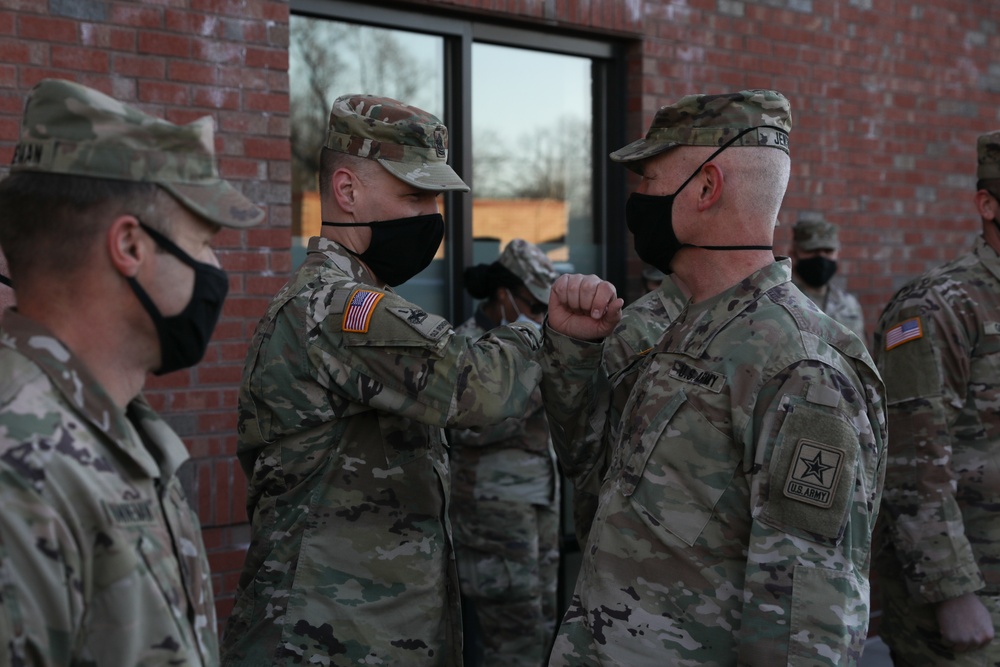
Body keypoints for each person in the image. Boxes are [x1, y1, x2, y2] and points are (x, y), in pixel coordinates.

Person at [221, 94, 620, 666]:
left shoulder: (344, 303)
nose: (431, 215)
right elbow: (481, 387)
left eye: (435, 198)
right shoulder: (337, 307)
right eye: (414, 195)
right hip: (327, 635)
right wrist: (544, 328)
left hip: (359, 624)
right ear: (347, 190)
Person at [538, 90, 887, 665]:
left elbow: (804, 626)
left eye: (648, 178)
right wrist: (575, 353)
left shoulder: (800, 367)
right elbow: (591, 472)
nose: (637, 199)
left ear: (705, 188)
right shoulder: (678, 327)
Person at [0, 78, 264, 665]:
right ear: (130, 246)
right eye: (203, 241)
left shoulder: (122, 430)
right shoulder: (20, 466)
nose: (215, 269)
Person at [872, 129, 1000, 666]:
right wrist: (953, 591)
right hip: (972, 599)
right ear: (987, 204)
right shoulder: (937, 306)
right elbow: (909, 459)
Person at [447, 239, 560, 667]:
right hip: (492, 507)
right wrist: (530, 395)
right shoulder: (466, 346)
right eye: (533, 305)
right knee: (513, 634)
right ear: (503, 294)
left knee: (544, 621)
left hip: (538, 499)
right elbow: (465, 426)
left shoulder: (539, 341)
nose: (540, 316)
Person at [790, 218, 866, 342]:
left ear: (837, 254)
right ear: (793, 253)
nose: (821, 257)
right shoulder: (780, 300)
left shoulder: (849, 304)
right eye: (812, 251)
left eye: (828, 251)